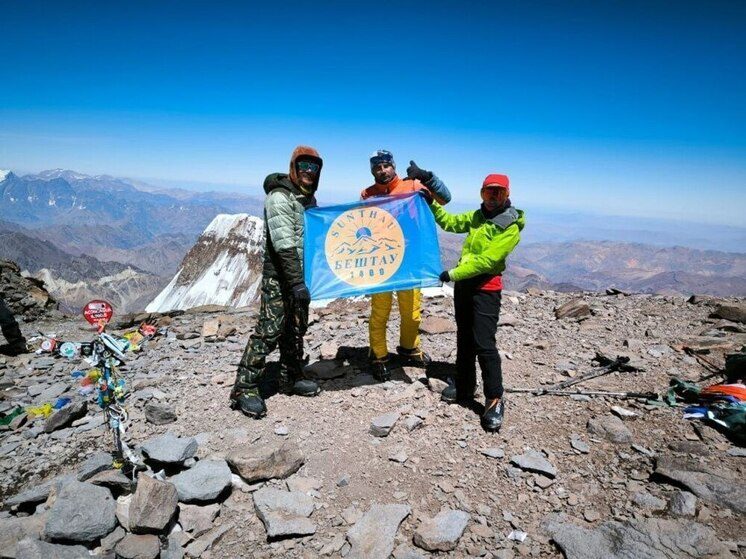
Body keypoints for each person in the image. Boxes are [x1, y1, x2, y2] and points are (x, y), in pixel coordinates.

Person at [230, 146, 323, 419]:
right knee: (269, 331)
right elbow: (285, 246)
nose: (309, 171)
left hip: (299, 278)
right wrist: (295, 283)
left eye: (314, 167)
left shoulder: (306, 199)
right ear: (294, 167)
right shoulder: (279, 198)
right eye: (304, 165)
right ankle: (244, 387)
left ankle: (290, 378)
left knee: (295, 329)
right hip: (280, 278)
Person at [427, 173, 525, 432]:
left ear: (507, 195)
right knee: (464, 338)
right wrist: (430, 200)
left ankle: (494, 398)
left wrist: (452, 274)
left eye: (499, 193)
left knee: (484, 344)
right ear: (482, 193)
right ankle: (465, 385)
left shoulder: (509, 226)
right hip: (464, 287)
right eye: (488, 193)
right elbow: (449, 222)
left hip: (485, 289)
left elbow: (489, 261)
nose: (493, 198)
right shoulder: (477, 217)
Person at [360, 150, 452, 380]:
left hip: (409, 260)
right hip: (380, 260)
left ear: (393, 166)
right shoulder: (367, 194)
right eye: (377, 167)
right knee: (380, 311)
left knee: (411, 312)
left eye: (385, 166)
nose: (382, 170)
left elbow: (445, 197)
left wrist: (428, 177)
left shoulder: (412, 185)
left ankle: (409, 348)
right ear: (373, 170)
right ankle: (379, 355)